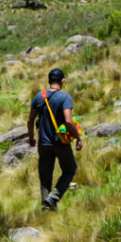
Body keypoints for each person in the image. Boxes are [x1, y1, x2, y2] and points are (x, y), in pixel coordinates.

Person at [27, 68, 82, 211]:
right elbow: (69, 121)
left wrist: (31, 137)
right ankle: (53, 199)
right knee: (70, 170)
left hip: (43, 143)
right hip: (60, 142)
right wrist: (78, 138)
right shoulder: (65, 97)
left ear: (48, 81)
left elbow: (30, 119)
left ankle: (46, 209)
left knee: (45, 178)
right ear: (63, 80)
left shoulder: (39, 97)